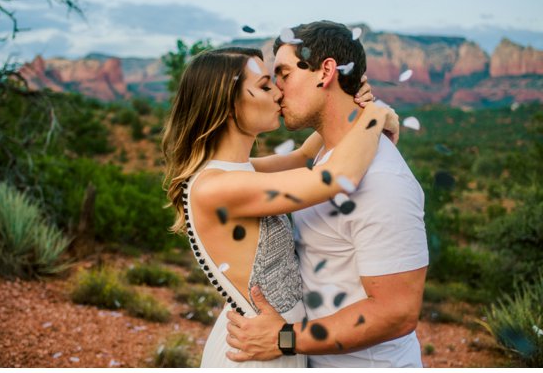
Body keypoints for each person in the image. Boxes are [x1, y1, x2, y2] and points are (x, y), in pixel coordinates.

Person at [160, 42, 397, 367]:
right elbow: (335, 177)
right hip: (258, 354)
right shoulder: (217, 187)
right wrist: (375, 115)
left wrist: (347, 102)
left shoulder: (239, 172)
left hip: (273, 341)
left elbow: (303, 157)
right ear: (228, 105)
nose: (278, 93)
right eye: (264, 86)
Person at [223, 21, 429, 367]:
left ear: (326, 72)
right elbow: (239, 173)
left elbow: (397, 313)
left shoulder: (382, 179)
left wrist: (283, 338)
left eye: (284, 75)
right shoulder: (325, 158)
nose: (277, 91)